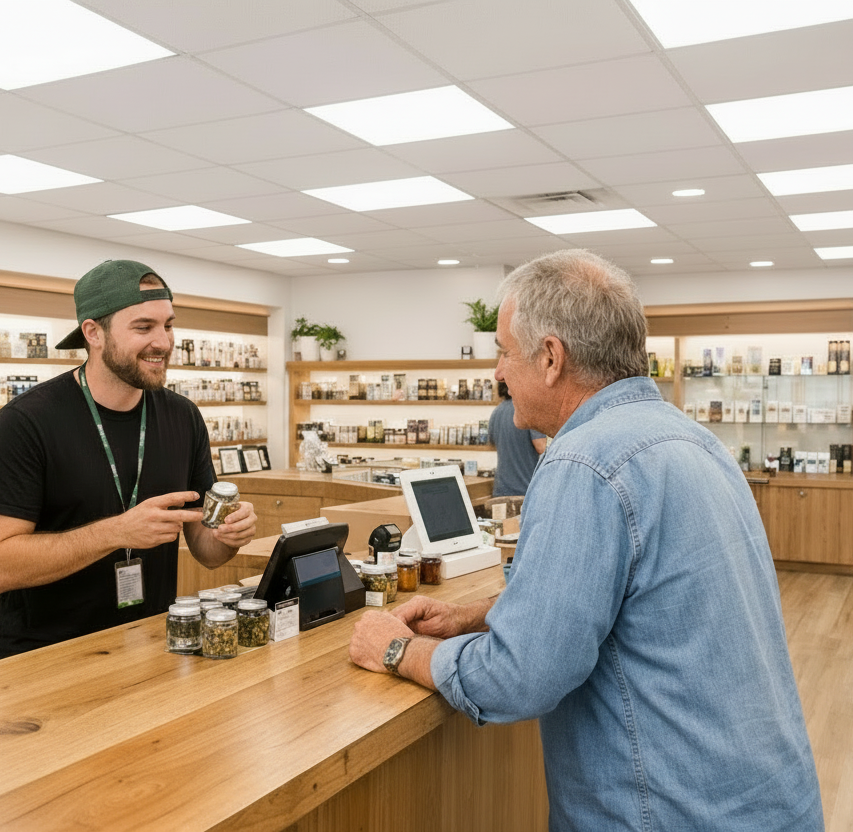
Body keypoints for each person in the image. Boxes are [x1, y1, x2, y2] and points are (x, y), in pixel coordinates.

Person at [350, 249, 822, 831]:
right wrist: (471, 617)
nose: (497, 371)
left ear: (551, 357)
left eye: (503, 350)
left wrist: (396, 650)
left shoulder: (585, 461)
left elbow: (519, 678)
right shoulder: (694, 441)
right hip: (766, 803)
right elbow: (634, 599)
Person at [0, 259, 257, 660]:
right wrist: (117, 533)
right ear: (94, 333)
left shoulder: (183, 417)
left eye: (168, 325)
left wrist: (229, 536)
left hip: (155, 645)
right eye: (143, 327)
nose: (164, 342)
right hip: (46, 660)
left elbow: (207, 552)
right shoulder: (25, 422)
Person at [488, 380, 546, 496]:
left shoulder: (496, 412)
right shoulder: (527, 409)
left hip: (501, 490)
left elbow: (492, 443)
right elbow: (541, 447)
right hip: (524, 490)